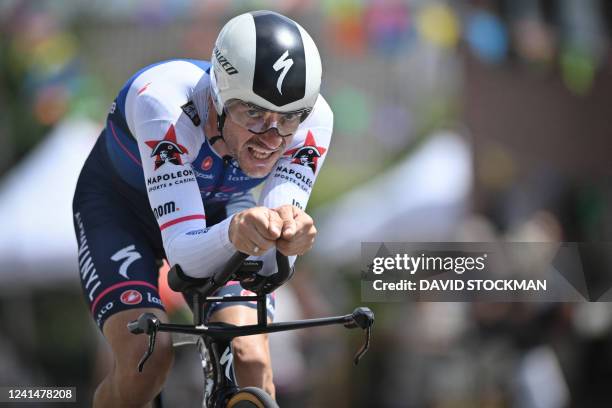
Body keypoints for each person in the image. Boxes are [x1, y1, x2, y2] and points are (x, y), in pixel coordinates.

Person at [72, 10, 332, 407]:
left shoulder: (315, 120)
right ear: (219, 96)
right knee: (147, 361)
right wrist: (235, 232)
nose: (272, 137)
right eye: (253, 114)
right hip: (120, 211)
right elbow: (186, 255)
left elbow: (272, 260)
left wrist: (289, 239)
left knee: (252, 359)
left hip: (219, 210)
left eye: (287, 119)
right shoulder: (163, 104)